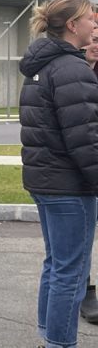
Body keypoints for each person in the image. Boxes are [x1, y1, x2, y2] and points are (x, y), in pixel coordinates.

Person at [19, 0, 98, 348]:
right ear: (72, 25)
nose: (94, 24)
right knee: (71, 268)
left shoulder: (41, 65)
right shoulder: (70, 67)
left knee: (56, 265)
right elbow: (84, 136)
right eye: (89, 18)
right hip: (69, 183)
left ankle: (51, 346)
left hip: (46, 179)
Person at [80, 23, 98, 324]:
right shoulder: (72, 71)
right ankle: (84, 289)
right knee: (79, 239)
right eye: (93, 40)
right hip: (83, 168)